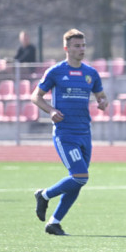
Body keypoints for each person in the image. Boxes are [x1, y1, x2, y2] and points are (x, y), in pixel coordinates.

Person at [31, 29, 109, 236]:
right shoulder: (56, 72)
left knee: (78, 180)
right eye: (77, 46)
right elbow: (35, 97)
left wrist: (103, 102)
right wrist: (51, 110)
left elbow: (102, 96)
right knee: (80, 176)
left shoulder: (91, 74)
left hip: (85, 132)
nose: (81, 49)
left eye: (83, 45)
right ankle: (44, 195)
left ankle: (54, 222)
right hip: (65, 134)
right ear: (66, 48)